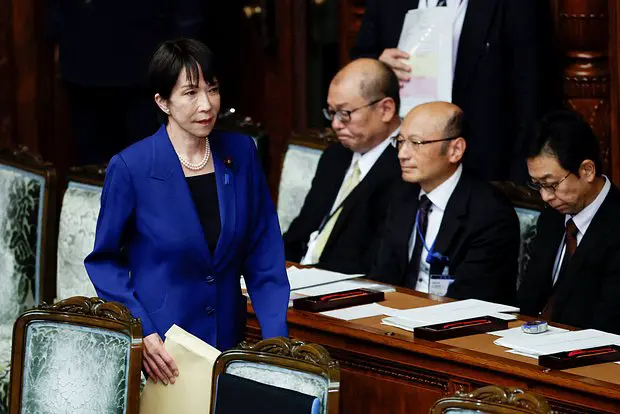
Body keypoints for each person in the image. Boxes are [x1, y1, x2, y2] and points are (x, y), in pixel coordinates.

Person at [85, 39, 290, 385]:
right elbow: (104, 261)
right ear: (162, 101)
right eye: (191, 93)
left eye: (213, 89)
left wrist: (276, 344)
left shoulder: (241, 153)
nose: (206, 104)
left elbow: (264, 255)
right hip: (163, 354)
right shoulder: (132, 167)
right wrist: (141, 331)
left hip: (229, 346)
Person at [351, 0, 542, 182]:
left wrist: (520, 178)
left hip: (481, 165)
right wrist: (379, 69)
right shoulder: (385, 4)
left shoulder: (516, 5)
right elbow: (360, 63)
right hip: (397, 157)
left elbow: (531, 93)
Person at [369, 102, 519, 305]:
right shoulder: (401, 195)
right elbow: (382, 274)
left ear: (455, 150)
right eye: (400, 141)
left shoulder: (489, 213)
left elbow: (473, 298)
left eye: (416, 143)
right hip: (394, 311)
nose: (402, 154)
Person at [48, 0, 204, 164]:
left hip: (145, 62)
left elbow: (188, 11)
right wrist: (57, 30)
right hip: (85, 58)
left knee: (146, 159)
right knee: (93, 160)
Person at [283, 59, 401, 275]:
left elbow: (378, 261)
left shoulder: (405, 165)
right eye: (331, 113)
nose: (335, 124)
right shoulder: (335, 157)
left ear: (385, 109)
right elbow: (301, 231)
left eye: (345, 113)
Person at [518, 110, 620, 334]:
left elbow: (609, 321)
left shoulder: (615, 223)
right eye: (537, 185)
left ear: (587, 170)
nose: (545, 196)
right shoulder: (552, 218)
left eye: (551, 184)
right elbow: (528, 300)